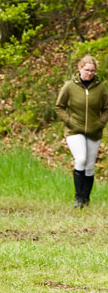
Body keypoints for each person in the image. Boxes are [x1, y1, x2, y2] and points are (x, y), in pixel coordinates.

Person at [55, 55, 108, 208]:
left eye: (92, 71)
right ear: (79, 68)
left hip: (94, 130)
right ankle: (78, 198)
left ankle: (86, 198)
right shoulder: (69, 86)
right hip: (74, 130)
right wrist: (70, 121)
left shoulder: (101, 88)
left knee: (90, 166)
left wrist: (100, 123)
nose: (89, 73)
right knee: (81, 159)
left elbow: (106, 109)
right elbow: (59, 107)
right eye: (86, 70)